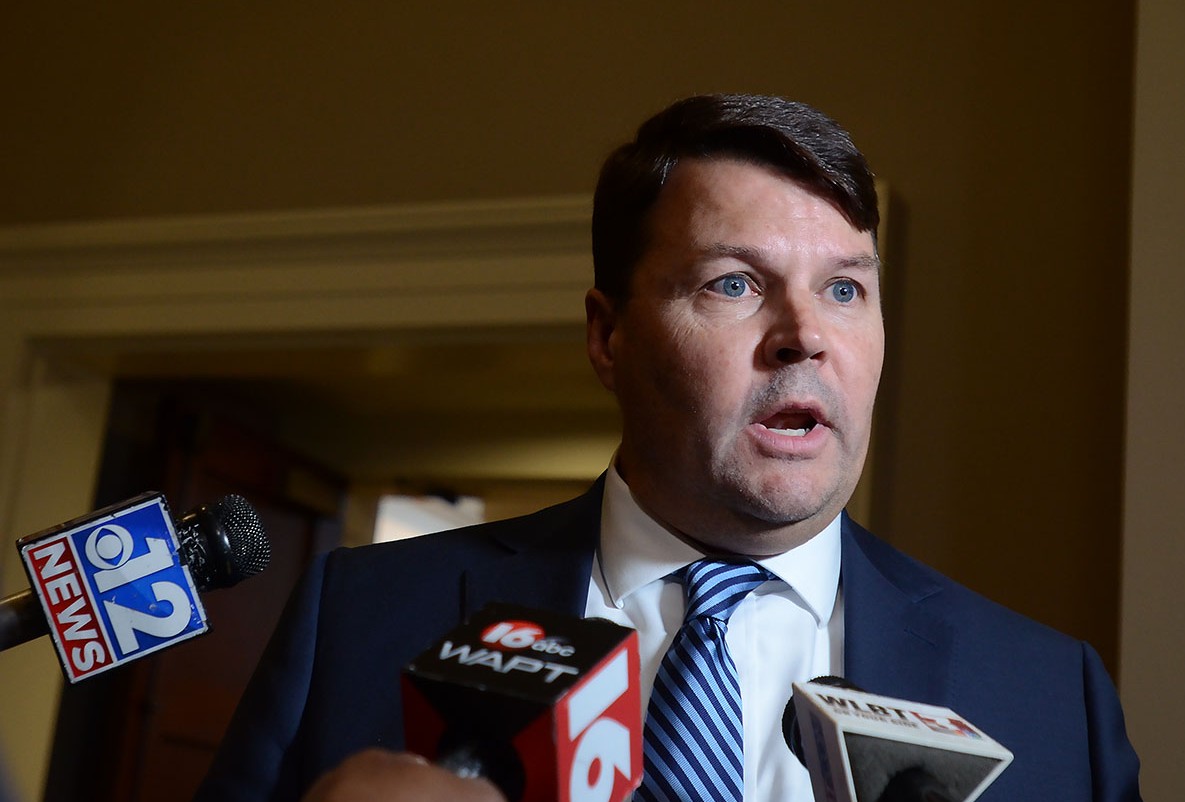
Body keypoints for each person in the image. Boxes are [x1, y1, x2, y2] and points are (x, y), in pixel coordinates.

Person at [196, 94, 1141, 801]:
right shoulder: (360, 618)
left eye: (844, 289)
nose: (806, 335)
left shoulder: (1048, 696)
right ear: (609, 336)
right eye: (734, 284)